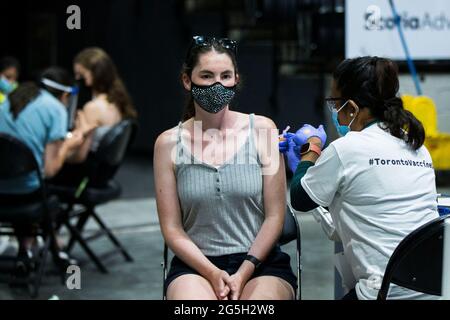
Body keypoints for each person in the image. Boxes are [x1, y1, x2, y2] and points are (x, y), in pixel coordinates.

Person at [280, 56, 439, 300]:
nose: (334, 111)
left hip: (384, 291)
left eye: (336, 103)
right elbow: (366, 215)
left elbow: (301, 199)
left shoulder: (347, 148)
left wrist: (309, 153)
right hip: (432, 289)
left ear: (352, 108)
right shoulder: (416, 146)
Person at [154, 36, 297, 300]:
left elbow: (275, 217)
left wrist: (243, 272)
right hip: (195, 266)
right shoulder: (167, 143)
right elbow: (172, 229)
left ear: (236, 79)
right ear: (188, 81)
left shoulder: (263, 129)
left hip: (260, 264)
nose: (217, 84)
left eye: (225, 75)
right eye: (207, 76)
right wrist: (211, 272)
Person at [0, 66, 85, 272]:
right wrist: (69, 145)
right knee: (49, 193)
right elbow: (50, 170)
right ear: (65, 95)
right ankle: (54, 250)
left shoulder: (12, 97)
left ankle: (27, 249)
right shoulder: (55, 108)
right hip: (26, 193)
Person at [48, 47, 137, 187]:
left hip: (83, 176)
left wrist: (58, 154)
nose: (77, 80)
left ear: (94, 75)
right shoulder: (118, 102)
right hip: (102, 175)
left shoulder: (92, 108)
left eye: (80, 75)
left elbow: (79, 157)